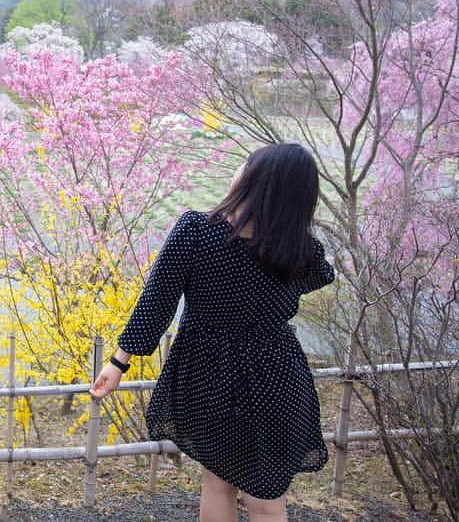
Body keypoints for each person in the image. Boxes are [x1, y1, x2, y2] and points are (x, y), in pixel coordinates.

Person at [90, 143, 336, 522]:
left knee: (218, 483)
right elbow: (319, 277)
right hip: (278, 374)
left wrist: (118, 363)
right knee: (269, 502)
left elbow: (157, 302)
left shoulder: (197, 232)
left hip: (210, 373)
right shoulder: (301, 250)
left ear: (256, 180)